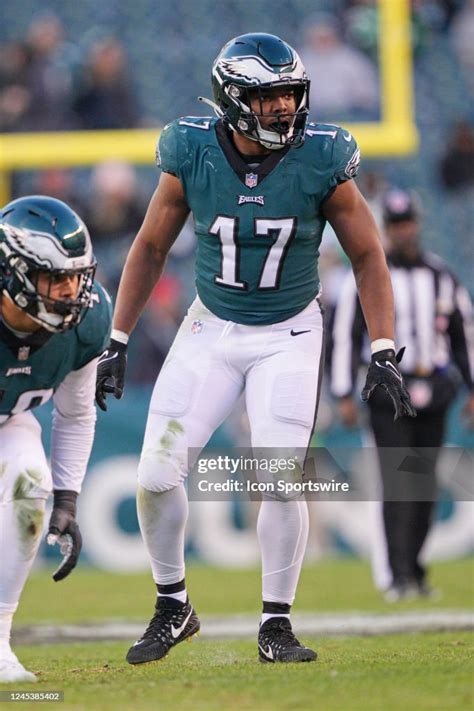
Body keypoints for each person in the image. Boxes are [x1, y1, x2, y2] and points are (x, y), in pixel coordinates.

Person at [96, 32, 414, 665]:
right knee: (157, 474)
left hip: (289, 334)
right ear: (235, 100)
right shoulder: (189, 149)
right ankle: (172, 604)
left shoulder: (322, 156)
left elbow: (368, 254)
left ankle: (276, 624)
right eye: (270, 99)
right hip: (210, 328)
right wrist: (119, 337)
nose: (285, 111)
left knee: (278, 476)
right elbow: (151, 247)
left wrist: (382, 347)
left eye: (291, 97)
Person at [330, 188, 474, 601]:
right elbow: (345, 335)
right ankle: (398, 577)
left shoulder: (441, 275)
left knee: (426, 484)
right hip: (389, 390)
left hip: (436, 386)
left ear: (418, 224)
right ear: (387, 229)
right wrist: (343, 391)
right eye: (395, 226)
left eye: (407, 223)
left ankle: (415, 570)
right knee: (398, 483)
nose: (403, 232)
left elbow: (464, 335)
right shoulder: (369, 273)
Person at [0, 196, 111, 682]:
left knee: (31, 487)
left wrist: (65, 498)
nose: (71, 291)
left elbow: (76, 412)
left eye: (76, 276)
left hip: (8, 423)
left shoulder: (86, 322)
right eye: (55, 277)